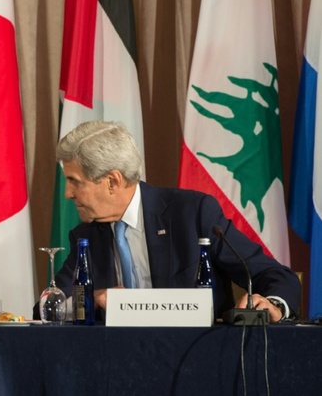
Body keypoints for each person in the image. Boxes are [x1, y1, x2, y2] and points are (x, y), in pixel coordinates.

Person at [50, 120, 300, 323]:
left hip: (197, 359)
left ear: (113, 181)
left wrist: (273, 303)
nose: (68, 193)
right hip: (118, 365)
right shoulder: (86, 235)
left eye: (75, 181)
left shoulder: (192, 214)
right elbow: (52, 306)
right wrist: (94, 299)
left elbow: (274, 275)